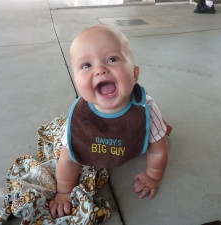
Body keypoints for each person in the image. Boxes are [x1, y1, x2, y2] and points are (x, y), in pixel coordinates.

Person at [49, 25, 171, 219]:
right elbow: (67, 159)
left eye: (112, 59)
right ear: (76, 81)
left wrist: (153, 175)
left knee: (158, 132)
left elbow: (158, 149)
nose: (100, 70)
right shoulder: (79, 119)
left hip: (136, 134)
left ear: (135, 74)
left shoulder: (146, 109)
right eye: (86, 65)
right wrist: (63, 192)